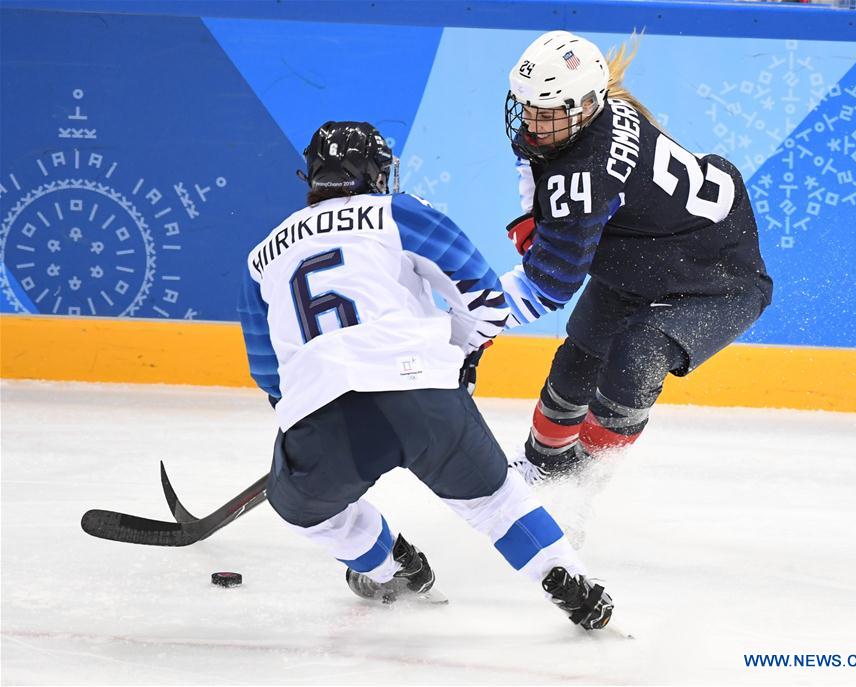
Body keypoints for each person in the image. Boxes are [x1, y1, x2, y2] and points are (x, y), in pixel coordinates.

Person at [237, 120, 614, 630]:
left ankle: (391, 567)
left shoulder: (261, 257)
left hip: (321, 416)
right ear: (375, 171)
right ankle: (567, 578)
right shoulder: (397, 212)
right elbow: (486, 300)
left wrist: (302, 418)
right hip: (421, 393)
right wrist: (454, 357)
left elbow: (268, 371)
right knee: (497, 503)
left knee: (306, 510)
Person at [500, 31, 773, 483]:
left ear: (588, 104)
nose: (533, 124)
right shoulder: (576, 122)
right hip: (640, 260)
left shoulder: (586, 172)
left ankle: (583, 483)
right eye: (527, 108)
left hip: (719, 280)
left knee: (635, 357)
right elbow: (535, 171)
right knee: (576, 363)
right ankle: (539, 469)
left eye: (546, 113)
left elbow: (550, 284)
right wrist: (538, 217)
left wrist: (474, 321)